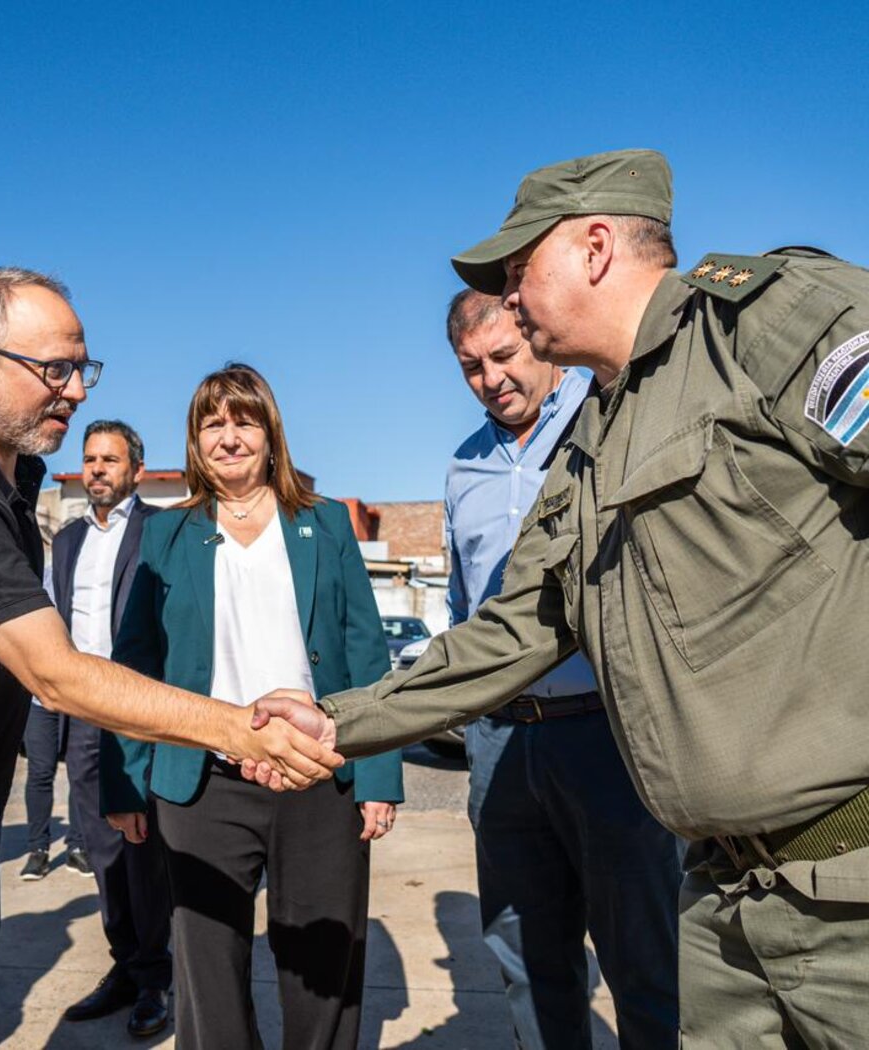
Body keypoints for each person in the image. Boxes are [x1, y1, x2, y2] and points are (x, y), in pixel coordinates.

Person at [253, 149, 869, 1048]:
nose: (511, 299)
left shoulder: (765, 323)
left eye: (518, 273)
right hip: (725, 906)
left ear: (592, 248)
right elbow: (509, 629)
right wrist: (336, 722)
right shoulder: (588, 450)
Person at [0, 268, 339, 1047]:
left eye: (84, 367)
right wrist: (241, 728)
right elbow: (57, 671)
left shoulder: (7, 466)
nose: (78, 390)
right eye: (54, 370)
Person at [103, 363, 404, 1050]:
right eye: (213, 423)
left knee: (322, 965)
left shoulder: (324, 523)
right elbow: (135, 664)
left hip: (317, 775)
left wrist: (379, 778)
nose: (229, 436)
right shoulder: (166, 534)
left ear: (272, 435)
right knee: (207, 967)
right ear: (194, 439)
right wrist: (122, 780)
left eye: (245, 421)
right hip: (202, 785)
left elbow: (367, 653)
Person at [443, 289, 679, 1048]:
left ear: (536, 337)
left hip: (606, 738)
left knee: (647, 961)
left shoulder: (609, 421)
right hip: (503, 745)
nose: (490, 379)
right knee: (525, 957)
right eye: (471, 367)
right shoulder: (464, 468)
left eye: (504, 356)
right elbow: (465, 608)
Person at [48, 419, 173, 1037]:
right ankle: (125, 964)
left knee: (143, 847)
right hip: (84, 713)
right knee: (100, 850)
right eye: (91, 459)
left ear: (136, 471)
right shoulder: (67, 540)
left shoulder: (162, 530)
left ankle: (156, 978)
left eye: (110, 460)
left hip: (140, 711)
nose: (98, 469)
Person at [19, 566, 91, 881]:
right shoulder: (43, 576)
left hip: (78, 693)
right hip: (39, 695)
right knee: (40, 771)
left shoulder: (89, 578)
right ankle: (38, 849)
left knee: (81, 770)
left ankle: (77, 846)